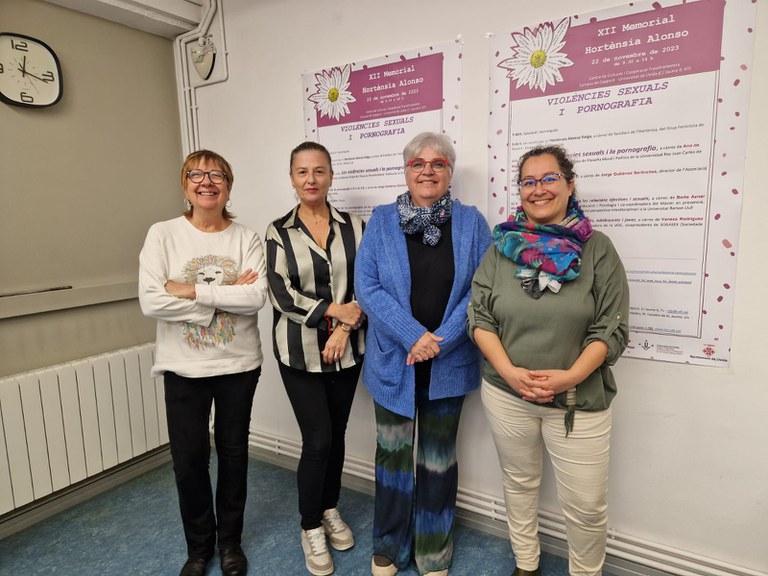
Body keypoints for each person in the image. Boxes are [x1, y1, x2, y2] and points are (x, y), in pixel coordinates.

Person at [468, 145, 629, 576]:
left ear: (570, 185)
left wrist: (569, 377)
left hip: (577, 401)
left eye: (549, 178)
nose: (538, 189)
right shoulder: (501, 247)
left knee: (586, 505)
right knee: (519, 483)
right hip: (507, 395)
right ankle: (526, 563)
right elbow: (479, 316)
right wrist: (509, 373)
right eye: (528, 181)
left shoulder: (597, 250)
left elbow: (611, 328)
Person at [355, 132, 491, 576]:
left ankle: (433, 549)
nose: (427, 171)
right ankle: (390, 545)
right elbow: (367, 287)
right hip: (394, 361)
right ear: (406, 170)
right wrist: (413, 336)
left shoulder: (472, 223)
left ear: (450, 172)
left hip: (448, 362)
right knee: (393, 455)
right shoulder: (380, 221)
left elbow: (482, 289)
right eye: (418, 163)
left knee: (438, 460)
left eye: (438, 163)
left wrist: (441, 339)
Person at [139, 150, 268, 576]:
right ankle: (199, 549)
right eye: (196, 174)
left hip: (238, 366)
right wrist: (224, 297)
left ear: (228, 186)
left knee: (234, 457)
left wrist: (190, 290)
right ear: (185, 184)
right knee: (189, 462)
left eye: (217, 175)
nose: (206, 182)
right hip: (183, 369)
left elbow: (255, 297)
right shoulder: (162, 234)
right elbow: (152, 302)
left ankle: (230, 543)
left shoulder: (246, 238)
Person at [266, 141, 366, 576]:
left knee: (337, 435)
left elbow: (369, 282)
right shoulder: (278, 231)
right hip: (299, 352)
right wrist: (333, 311)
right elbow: (281, 293)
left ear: (330, 175)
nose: (311, 179)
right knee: (318, 439)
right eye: (302, 172)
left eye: (319, 170)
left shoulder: (355, 227)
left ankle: (329, 508)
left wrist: (344, 328)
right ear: (292, 178)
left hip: (348, 350)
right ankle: (310, 525)